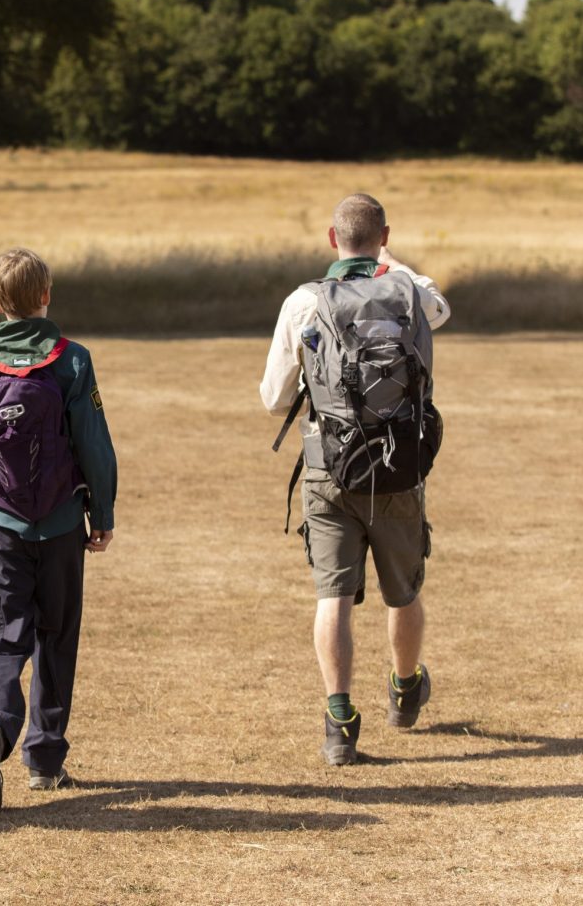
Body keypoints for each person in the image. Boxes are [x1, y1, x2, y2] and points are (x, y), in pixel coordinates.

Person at [260, 194, 451, 765]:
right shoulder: (412, 294)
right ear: (384, 236)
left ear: (329, 238)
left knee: (333, 595)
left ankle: (339, 719)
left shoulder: (304, 302)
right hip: (399, 467)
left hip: (329, 466)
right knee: (404, 589)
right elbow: (440, 305)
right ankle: (404, 686)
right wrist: (395, 264)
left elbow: (273, 399)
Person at [0, 248, 117, 811]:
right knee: (57, 638)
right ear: (46, 295)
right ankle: (44, 760)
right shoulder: (72, 361)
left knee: (2, 639)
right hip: (63, 523)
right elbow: (93, 443)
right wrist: (104, 513)